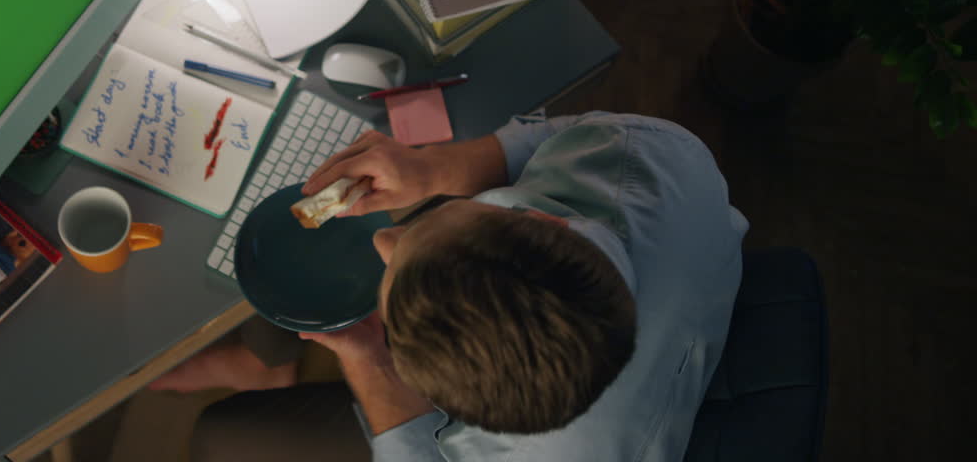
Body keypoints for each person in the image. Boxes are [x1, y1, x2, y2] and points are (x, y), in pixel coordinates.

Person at [155, 111, 749, 462]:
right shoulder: (649, 153)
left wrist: (367, 361)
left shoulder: (520, 455)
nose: (382, 241)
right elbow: (555, 138)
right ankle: (266, 361)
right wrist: (434, 170)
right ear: (543, 220)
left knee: (220, 435)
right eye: (428, 225)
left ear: (444, 407)